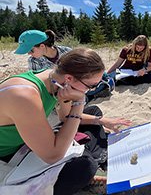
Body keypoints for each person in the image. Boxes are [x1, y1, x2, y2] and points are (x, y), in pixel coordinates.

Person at [0, 48, 131, 195]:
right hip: (8, 157)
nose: (91, 90)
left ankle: (89, 163)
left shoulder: (52, 78)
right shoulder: (24, 96)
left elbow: (65, 116)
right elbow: (52, 156)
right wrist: (79, 102)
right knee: (83, 167)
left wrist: (101, 121)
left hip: (26, 142)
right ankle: (88, 172)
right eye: (91, 86)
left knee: (93, 112)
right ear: (69, 78)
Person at [15, 29, 114, 101]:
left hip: (76, 82)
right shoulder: (33, 61)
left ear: (42, 46)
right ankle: (99, 89)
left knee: (98, 75)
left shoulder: (66, 51)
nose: (29, 53)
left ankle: (100, 87)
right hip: (61, 90)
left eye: (30, 50)